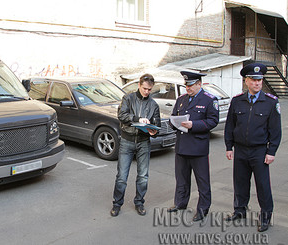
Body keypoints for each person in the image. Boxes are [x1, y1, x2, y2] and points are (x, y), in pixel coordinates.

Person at [224, 63, 281, 232]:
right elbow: (229, 126)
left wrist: (272, 152)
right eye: (254, 80)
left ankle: (265, 216)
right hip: (241, 150)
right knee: (240, 182)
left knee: (263, 185)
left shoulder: (270, 102)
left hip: (259, 151)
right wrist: (229, 146)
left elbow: (275, 131)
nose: (257, 83)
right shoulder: (237, 101)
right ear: (246, 81)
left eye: (260, 80)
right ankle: (239, 210)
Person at [167, 71, 219, 222]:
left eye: (190, 85)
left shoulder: (209, 100)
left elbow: (212, 121)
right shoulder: (181, 99)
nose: (187, 88)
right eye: (186, 85)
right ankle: (180, 203)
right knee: (181, 178)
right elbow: (174, 116)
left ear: (199, 84)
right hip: (182, 146)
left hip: (198, 147)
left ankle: (203, 209)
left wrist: (193, 125)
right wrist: (173, 123)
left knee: (202, 180)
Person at [110, 73, 160, 217]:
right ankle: (117, 204)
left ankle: (139, 202)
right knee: (122, 176)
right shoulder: (128, 98)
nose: (147, 92)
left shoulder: (153, 104)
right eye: (145, 88)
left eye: (150, 90)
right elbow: (122, 115)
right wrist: (138, 119)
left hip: (144, 141)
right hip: (127, 140)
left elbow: (156, 125)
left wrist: (153, 131)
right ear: (139, 85)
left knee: (143, 176)